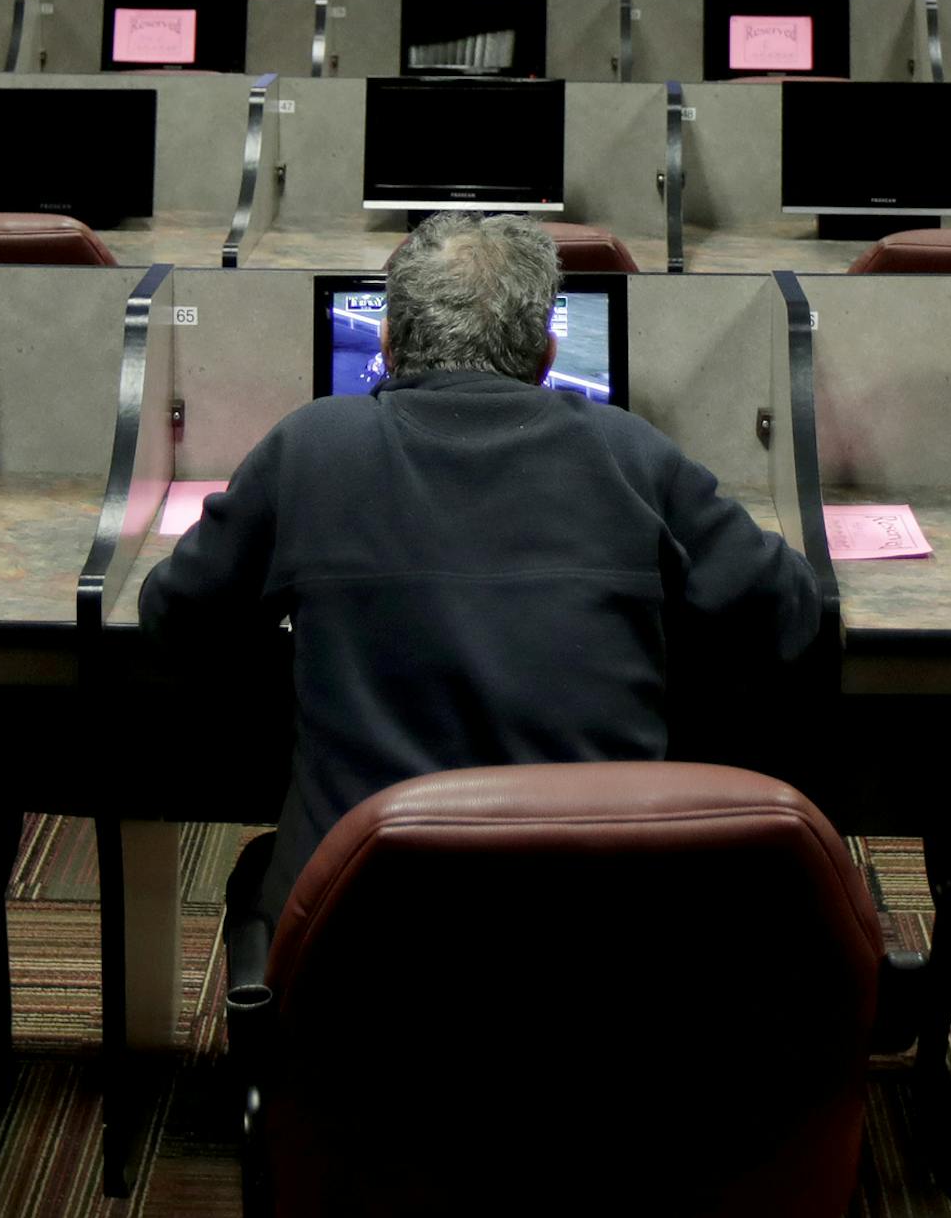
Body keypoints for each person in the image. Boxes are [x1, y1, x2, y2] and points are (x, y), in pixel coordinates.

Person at [139, 212, 825, 954]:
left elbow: (174, 620)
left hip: (361, 938)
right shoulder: (632, 453)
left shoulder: (309, 447)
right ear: (546, 355)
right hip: (599, 927)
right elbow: (788, 615)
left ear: (388, 346)